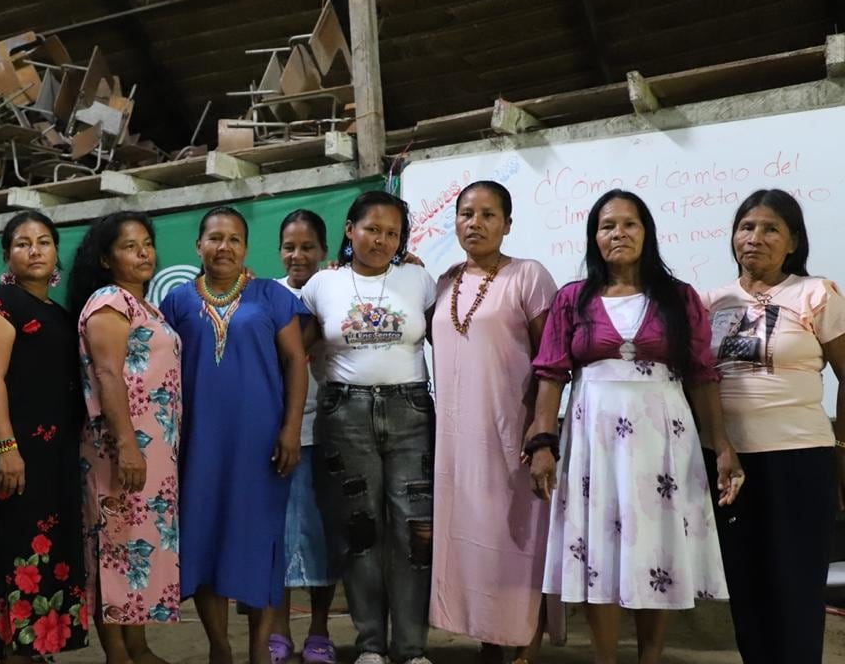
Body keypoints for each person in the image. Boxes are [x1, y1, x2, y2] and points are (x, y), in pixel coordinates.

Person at [525, 189, 743, 664]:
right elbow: (550, 374)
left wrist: (722, 446)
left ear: (647, 233)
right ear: (594, 238)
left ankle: (650, 658)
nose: (618, 234)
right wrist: (543, 441)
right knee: (599, 549)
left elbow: (702, 376)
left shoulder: (679, 298)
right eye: (607, 226)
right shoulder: (571, 300)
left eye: (629, 224)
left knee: (656, 547)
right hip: (592, 441)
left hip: (663, 441)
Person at [700, 189, 845, 664]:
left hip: (800, 461)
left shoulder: (816, 293)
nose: (755, 238)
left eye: (770, 229)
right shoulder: (709, 301)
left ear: (793, 242)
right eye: (746, 227)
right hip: (728, 465)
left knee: (796, 591)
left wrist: (841, 449)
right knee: (746, 590)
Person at [160, 206, 308, 664]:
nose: (224, 247)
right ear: (198, 246)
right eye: (215, 238)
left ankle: (259, 650)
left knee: (259, 542)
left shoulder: (270, 296)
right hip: (199, 443)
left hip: (261, 442)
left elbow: (296, 364)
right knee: (203, 539)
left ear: (246, 248)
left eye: (234, 240)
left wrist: (290, 429)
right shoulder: (178, 302)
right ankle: (220, 649)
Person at [299, 191, 438, 664]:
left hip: (411, 414)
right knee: (361, 532)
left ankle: (412, 648)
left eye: (392, 233)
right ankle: (371, 646)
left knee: (414, 532)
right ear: (349, 229)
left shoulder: (419, 279)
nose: (381, 240)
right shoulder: (321, 285)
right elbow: (293, 350)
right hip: (346, 417)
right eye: (372, 229)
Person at [429, 181, 557, 664]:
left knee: (521, 540)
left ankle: (525, 647)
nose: (475, 223)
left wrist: (542, 428)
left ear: (507, 223)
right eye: (466, 213)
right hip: (459, 442)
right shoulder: (444, 282)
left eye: (487, 214)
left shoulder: (528, 276)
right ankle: (488, 643)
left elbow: (552, 361)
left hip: (514, 433)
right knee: (477, 544)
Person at [0, 211, 88, 662]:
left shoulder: (59, 313)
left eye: (43, 242)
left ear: (56, 253)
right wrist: (6, 448)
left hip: (55, 459)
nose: (34, 250)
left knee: (51, 554)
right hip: (12, 454)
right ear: (6, 255)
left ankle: (38, 649)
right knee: (14, 550)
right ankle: (17, 651)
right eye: (22, 243)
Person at [68, 211, 182, 664]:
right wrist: (127, 444)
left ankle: (138, 646)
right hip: (120, 451)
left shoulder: (143, 304)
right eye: (129, 245)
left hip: (153, 452)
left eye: (147, 244)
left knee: (138, 548)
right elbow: (108, 374)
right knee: (115, 547)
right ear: (105, 258)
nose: (143, 253)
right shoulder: (109, 301)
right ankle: (117, 653)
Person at [269, 210, 338, 664]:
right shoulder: (267, 296)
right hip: (276, 435)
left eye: (308, 246)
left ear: (324, 251)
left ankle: (319, 629)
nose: (298, 255)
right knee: (275, 537)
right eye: (290, 247)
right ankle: (277, 631)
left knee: (321, 535)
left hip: (329, 431)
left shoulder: (337, 292)